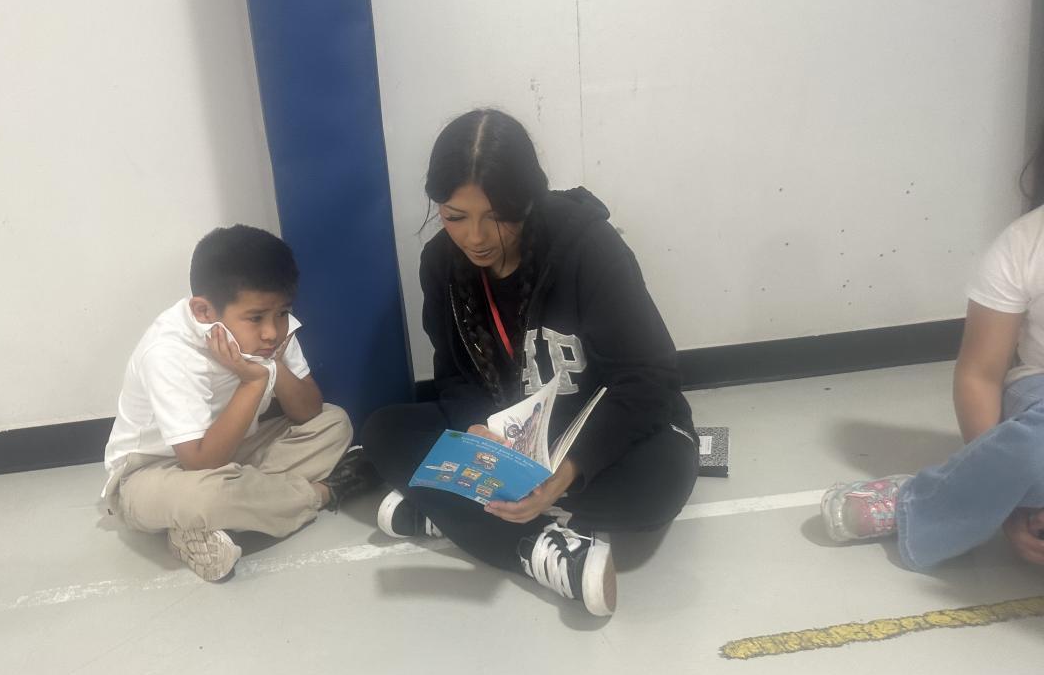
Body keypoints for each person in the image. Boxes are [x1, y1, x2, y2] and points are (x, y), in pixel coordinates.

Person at [361, 109, 699, 617]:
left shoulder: (587, 245)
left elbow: (649, 377)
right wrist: (478, 431)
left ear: (527, 199)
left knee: (656, 486)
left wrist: (567, 471)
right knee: (385, 430)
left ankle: (450, 512)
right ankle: (540, 547)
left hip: (597, 433)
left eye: (497, 215)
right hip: (510, 442)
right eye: (455, 216)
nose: (476, 237)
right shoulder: (440, 263)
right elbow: (453, 376)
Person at [100, 225, 378, 581]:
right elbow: (201, 463)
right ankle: (323, 493)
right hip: (152, 474)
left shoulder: (270, 328)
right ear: (204, 311)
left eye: (282, 313)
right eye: (256, 318)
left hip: (235, 451)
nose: (272, 331)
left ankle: (208, 523)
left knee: (334, 423)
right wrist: (253, 382)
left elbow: (309, 411)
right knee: (206, 497)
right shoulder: (168, 353)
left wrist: (274, 363)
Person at [821, 199, 1044, 569]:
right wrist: (997, 488)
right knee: (1035, 448)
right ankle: (920, 503)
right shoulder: (1025, 243)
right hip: (1038, 392)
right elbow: (980, 374)